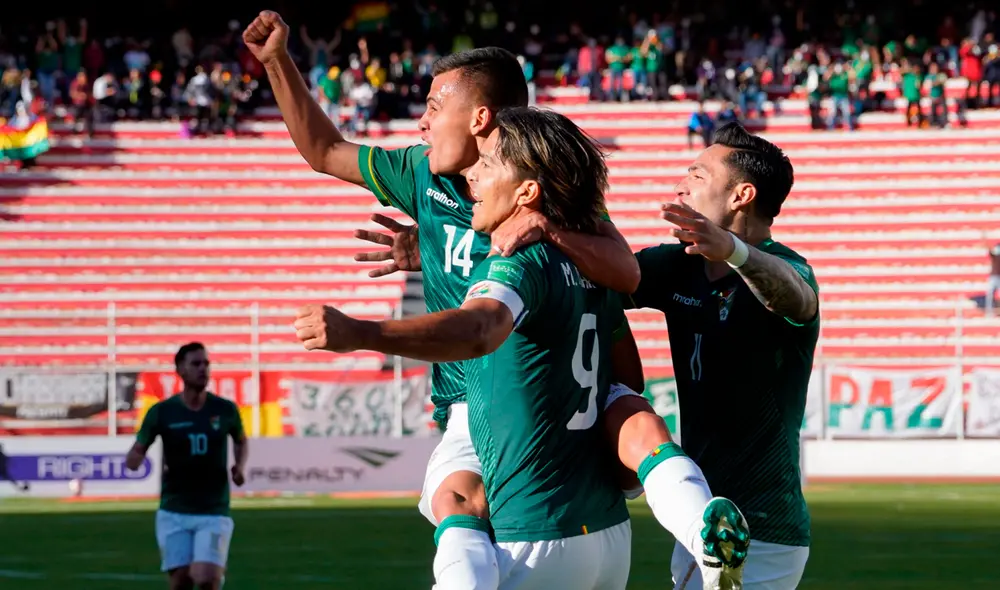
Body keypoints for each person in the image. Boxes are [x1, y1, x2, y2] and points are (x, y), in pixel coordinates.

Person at [245, 11, 747, 589]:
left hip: (505, 392)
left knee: (461, 499)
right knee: (624, 429)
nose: (423, 121)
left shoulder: (547, 201)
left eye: (435, 106)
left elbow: (620, 276)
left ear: (480, 117)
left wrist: (362, 331)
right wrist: (277, 62)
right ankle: (696, 523)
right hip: (527, 396)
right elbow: (324, 149)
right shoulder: (425, 174)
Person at [296, 107, 635, 589]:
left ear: (527, 192)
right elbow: (626, 376)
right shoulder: (593, 264)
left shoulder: (518, 260)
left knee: (456, 497)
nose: (473, 172)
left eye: (489, 163)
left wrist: (363, 334)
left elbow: (479, 330)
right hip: (606, 531)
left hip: (534, 532)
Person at [628, 121, 817, 589]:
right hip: (702, 517)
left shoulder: (788, 268)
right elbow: (599, 279)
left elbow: (798, 299)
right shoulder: (677, 266)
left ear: (741, 195)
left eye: (696, 175)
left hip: (764, 528)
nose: (680, 186)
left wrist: (733, 250)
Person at [126, 342, 248, 590]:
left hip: (213, 510)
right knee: (181, 582)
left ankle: (214, 576)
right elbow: (139, 448)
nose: (203, 369)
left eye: (206, 363)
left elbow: (240, 440)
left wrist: (239, 466)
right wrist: (135, 458)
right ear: (180, 370)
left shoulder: (224, 410)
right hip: (174, 511)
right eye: (196, 364)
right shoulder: (163, 412)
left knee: (206, 579)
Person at [986, 241, 1000, 316]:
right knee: (990, 295)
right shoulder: (994, 256)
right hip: (993, 277)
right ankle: (989, 311)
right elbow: (989, 249)